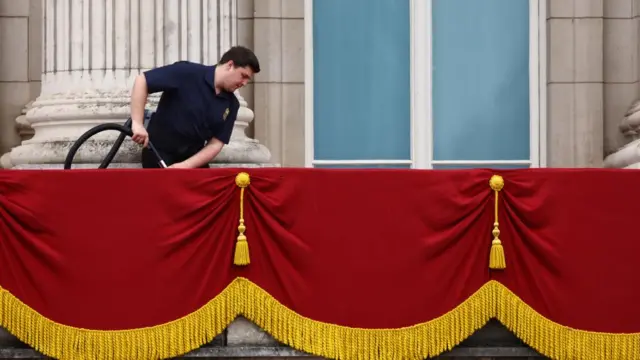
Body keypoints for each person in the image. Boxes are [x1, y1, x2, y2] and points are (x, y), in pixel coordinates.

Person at [128, 46, 260, 168]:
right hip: (158, 154)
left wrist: (185, 166)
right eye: (243, 76)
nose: (244, 83)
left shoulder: (232, 104)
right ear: (230, 65)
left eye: (248, 80)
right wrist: (137, 124)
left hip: (193, 163)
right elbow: (142, 81)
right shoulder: (187, 72)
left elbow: (216, 143)